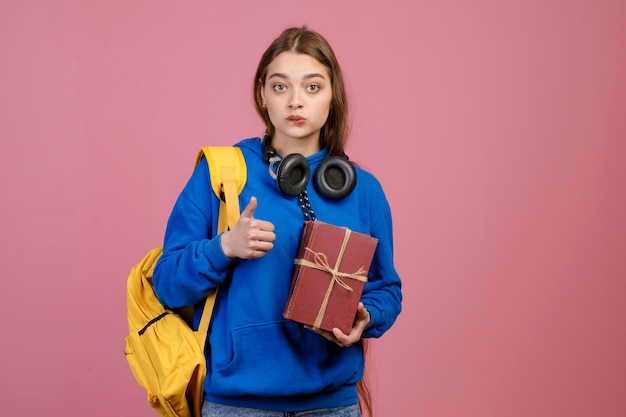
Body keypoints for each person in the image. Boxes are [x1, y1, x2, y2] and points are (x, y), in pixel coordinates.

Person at [153, 26, 402, 417]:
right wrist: (224, 248)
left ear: (332, 96)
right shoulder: (221, 173)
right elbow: (167, 284)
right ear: (262, 95)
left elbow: (387, 290)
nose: (296, 101)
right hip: (237, 405)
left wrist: (365, 316)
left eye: (313, 87)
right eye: (281, 87)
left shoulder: (364, 191)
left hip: (333, 406)